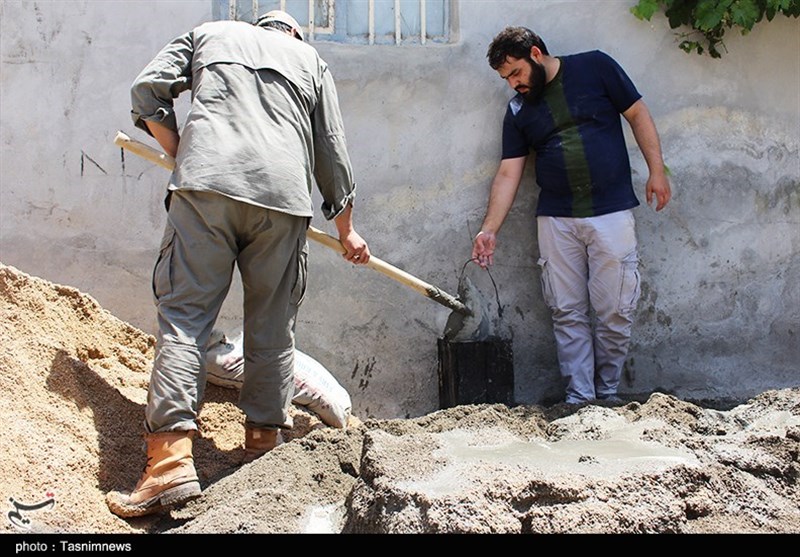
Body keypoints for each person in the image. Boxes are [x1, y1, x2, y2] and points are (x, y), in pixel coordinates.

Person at [106, 10, 370, 518]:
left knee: (185, 320)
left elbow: (147, 91)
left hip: (205, 190)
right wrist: (346, 230)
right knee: (273, 328)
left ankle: (168, 465)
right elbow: (331, 152)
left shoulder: (210, 34)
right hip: (283, 203)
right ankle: (263, 447)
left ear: (256, 26)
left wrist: (182, 150)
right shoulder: (310, 60)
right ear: (291, 35)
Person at [472, 27, 671, 405]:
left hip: (611, 211)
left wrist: (656, 171)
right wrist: (489, 229)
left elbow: (637, 113)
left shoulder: (596, 67)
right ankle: (580, 398)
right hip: (556, 219)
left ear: (535, 53)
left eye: (515, 73)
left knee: (616, 309)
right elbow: (508, 172)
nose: (513, 84)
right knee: (566, 311)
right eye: (505, 79)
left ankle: (608, 392)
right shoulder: (517, 110)